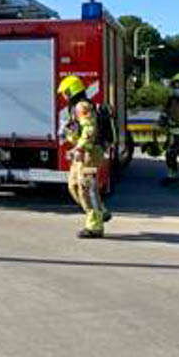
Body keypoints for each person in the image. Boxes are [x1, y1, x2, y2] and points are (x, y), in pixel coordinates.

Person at [58, 76, 109, 238]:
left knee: (87, 188)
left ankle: (95, 225)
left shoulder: (82, 106)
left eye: (65, 93)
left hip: (90, 153)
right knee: (73, 185)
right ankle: (100, 211)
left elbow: (89, 130)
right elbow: (80, 131)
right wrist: (68, 133)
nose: (64, 97)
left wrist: (79, 148)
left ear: (71, 91)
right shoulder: (75, 108)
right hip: (82, 153)